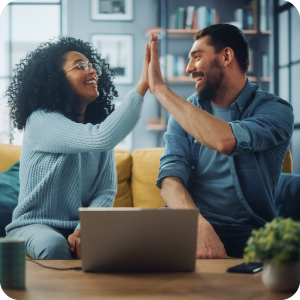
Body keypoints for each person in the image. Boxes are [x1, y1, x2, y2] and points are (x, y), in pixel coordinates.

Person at [147, 25, 294, 258]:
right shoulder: (185, 112)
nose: (188, 68)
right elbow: (170, 180)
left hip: (248, 231)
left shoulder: (275, 110)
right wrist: (198, 226)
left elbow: (225, 140)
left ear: (226, 56)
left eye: (197, 57)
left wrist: (161, 90)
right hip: (190, 221)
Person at [5, 36, 150, 259]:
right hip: (33, 225)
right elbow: (102, 138)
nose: (92, 71)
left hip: (80, 226)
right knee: (54, 244)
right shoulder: (41, 120)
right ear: (55, 79)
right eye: (80, 66)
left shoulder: (96, 129)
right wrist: (143, 86)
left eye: (92, 66)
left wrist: (84, 229)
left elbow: (105, 191)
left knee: (141, 239)